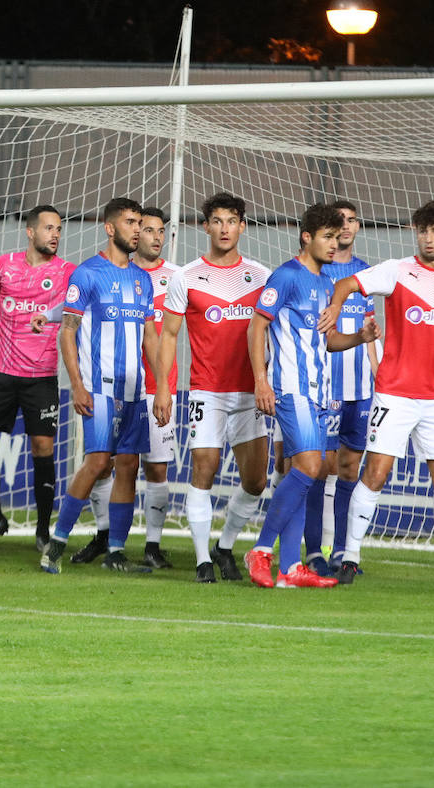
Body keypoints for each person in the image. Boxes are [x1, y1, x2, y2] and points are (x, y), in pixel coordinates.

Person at [319, 200, 434, 586]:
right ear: (416, 232)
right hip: (394, 393)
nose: (428, 238)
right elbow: (346, 283)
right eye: (422, 230)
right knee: (375, 474)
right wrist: (333, 309)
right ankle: (350, 557)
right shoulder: (397, 271)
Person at [244, 203, 378, 588]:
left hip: (320, 393)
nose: (334, 245)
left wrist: (359, 338)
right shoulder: (285, 276)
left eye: (338, 238)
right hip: (290, 389)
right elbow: (256, 329)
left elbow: (329, 339)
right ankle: (262, 548)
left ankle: (289, 569)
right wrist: (261, 380)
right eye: (327, 237)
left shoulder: (325, 285)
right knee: (308, 469)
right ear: (307, 237)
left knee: (301, 474)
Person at [153, 193, 271, 583]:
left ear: (242, 226)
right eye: (216, 221)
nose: (224, 228)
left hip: (250, 393)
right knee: (204, 469)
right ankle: (203, 559)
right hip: (207, 391)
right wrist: (164, 390)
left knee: (255, 482)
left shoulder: (261, 275)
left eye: (231, 221)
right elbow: (168, 335)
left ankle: (224, 546)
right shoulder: (185, 277)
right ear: (206, 226)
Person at [40, 197, 160, 575]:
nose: (137, 229)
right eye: (130, 222)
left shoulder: (143, 280)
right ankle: (55, 545)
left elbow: (151, 337)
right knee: (96, 463)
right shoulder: (88, 274)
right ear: (110, 228)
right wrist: (77, 385)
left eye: (139, 222)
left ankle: (116, 553)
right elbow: (67, 332)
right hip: (99, 388)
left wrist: (164, 388)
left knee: (128, 465)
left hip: (134, 392)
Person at [73, 207, 181, 569]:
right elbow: (77, 310)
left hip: (157, 386)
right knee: (103, 463)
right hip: (108, 385)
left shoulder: (175, 277)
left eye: (156, 230)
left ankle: (150, 545)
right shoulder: (100, 273)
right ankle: (105, 537)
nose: (149, 235)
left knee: (150, 467)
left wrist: (166, 384)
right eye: (141, 227)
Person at [0, 205, 73, 552]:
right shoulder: (4, 265)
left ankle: (43, 531)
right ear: (30, 232)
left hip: (41, 377)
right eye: (48, 228)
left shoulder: (67, 273)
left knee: (42, 448)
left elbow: (79, 309)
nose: (55, 234)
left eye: (58, 229)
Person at [318, 199, 380, 573]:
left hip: (360, 388)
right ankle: (317, 546)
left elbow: (371, 332)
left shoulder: (366, 275)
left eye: (351, 220)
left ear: (358, 227)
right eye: (339, 221)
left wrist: (380, 374)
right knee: (317, 465)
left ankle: (340, 550)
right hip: (324, 385)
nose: (345, 226)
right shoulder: (319, 272)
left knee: (348, 467)